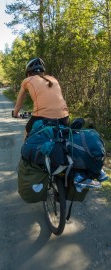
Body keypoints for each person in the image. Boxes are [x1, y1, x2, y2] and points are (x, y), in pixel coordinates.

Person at [13, 57, 108, 188]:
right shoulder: (53, 79)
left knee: (29, 133)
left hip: (41, 117)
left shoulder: (27, 80)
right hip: (64, 117)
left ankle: (29, 163)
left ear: (29, 73)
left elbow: (19, 101)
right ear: (42, 72)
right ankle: (77, 174)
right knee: (65, 140)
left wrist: (15, 113)